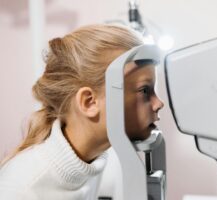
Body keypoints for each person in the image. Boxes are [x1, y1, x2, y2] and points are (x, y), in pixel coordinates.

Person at [0, 24, 164, 200]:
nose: (159, 103)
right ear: (89, 102)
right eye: (145, 91)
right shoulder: (21, 190)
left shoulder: (109, 161)